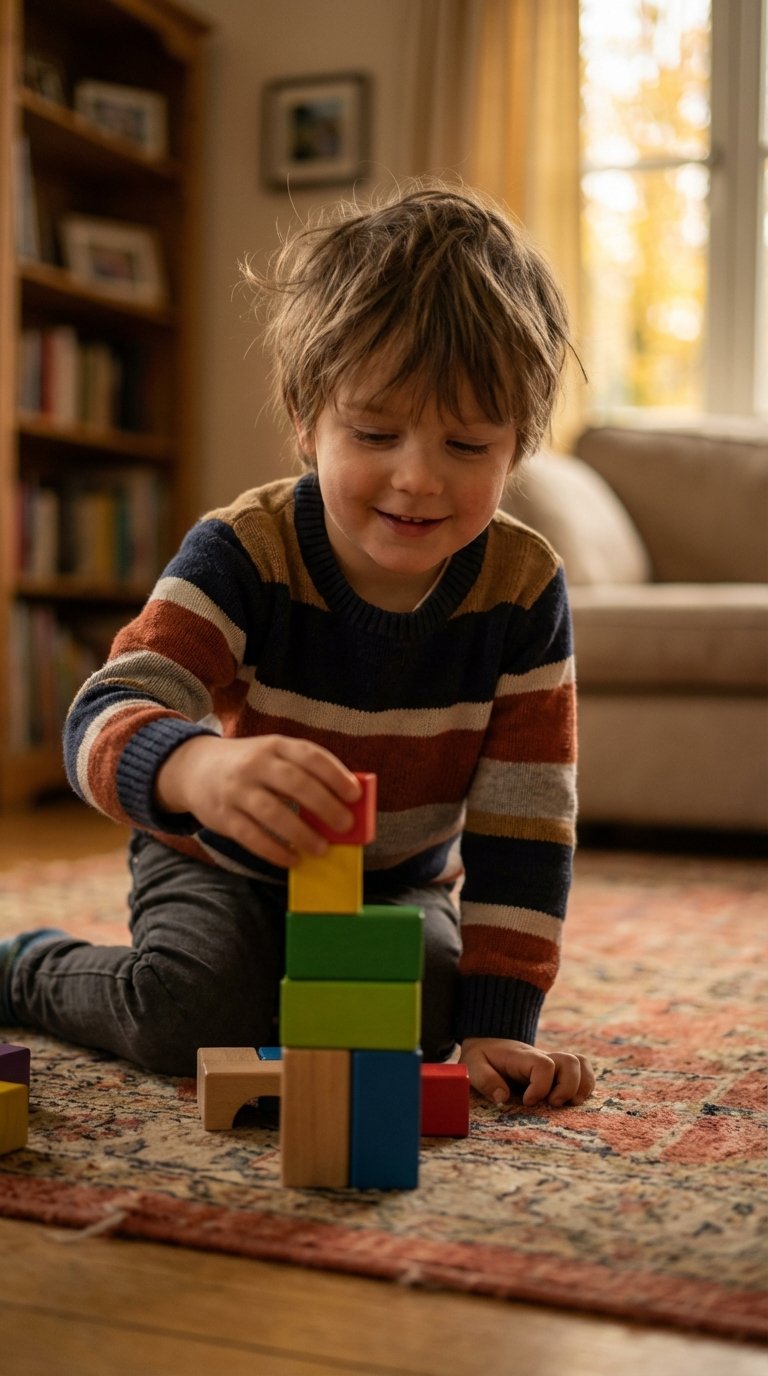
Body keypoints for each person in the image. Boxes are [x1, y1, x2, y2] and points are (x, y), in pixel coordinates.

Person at [1, 182, 595, 1110]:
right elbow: (102, 713)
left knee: (436, 1017)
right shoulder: (245, 549)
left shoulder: (522, 587)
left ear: (517, 447)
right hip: (218, 863)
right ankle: (22, 965)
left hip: (389, 883)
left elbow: (526, 823)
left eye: (468, 445)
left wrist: (501, 1024)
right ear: (305, 418)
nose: (418, 478)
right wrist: (197, 771)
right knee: (190, 1015)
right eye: (375, 432)